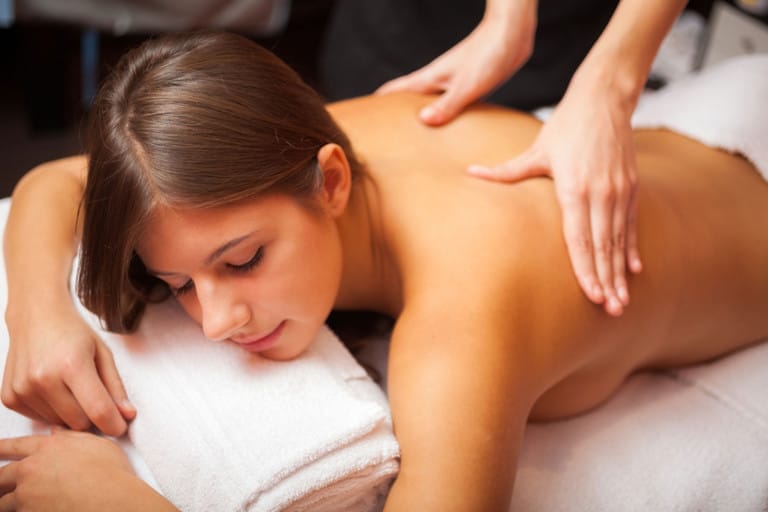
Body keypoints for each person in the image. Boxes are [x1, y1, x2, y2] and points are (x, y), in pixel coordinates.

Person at [2, 31, 767, 511]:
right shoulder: (304, 141)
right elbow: (57, 181)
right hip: (709, 133)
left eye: (241, 261)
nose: (217, 321)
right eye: (179, 286)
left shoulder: (467, 310)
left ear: (331, 181)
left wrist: (122, 504)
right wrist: (39, 317)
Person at [323, 0, 689, 317]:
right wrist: (508, 18)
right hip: (401, 38)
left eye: (260, 256)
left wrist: (611, 86)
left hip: (571, 59)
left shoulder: (473, 295)